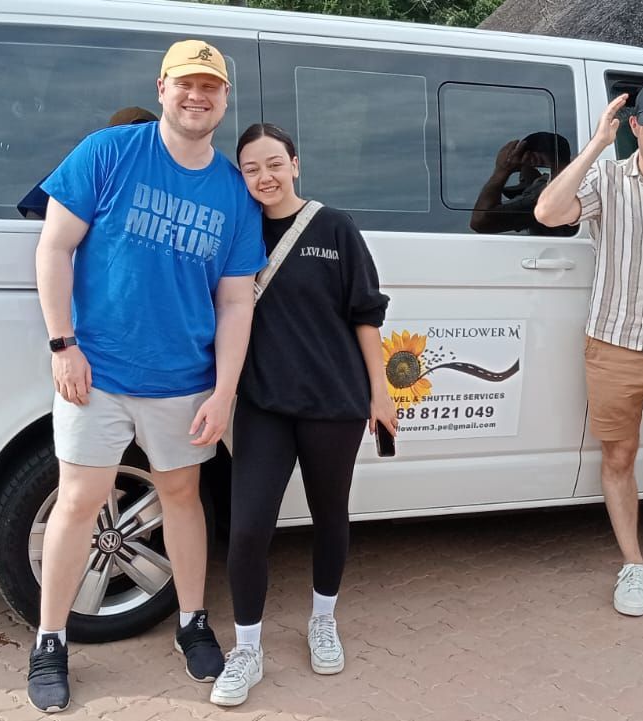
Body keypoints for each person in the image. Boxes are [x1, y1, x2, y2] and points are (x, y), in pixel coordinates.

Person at [26, 40, 266, 712]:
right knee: (78, 500)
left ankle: (192, 622)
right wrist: (62, 343)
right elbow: (54, 247)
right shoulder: (109, 153)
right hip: (95, 371)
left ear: (223, 99)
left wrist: (224, 390)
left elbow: (236, 299)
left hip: (184, 379)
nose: (198, 97)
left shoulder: (232, 191)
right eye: (186, 85)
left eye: (210, 88)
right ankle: (51, 638)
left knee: (182, 494)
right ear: (162, 88)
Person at [209, 122, 396, 707]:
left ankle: (322, 619)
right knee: (246, 530)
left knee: (329, 515)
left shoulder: (334, 227)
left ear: (295, 163)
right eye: (250, 169)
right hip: (264, 404)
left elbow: (366, 315)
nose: (263, 177)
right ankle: (247, 649)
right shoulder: (235, 231)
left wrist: (381, 392)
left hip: (333, 404)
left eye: (273, 164)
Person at [533, 80, 643, 622]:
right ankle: (632, 564)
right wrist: (595, 144)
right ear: (635, 128)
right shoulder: (608, 179)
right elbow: (547, 211)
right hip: (612, 345)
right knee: (619, 456)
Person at [17, 106, 159, 219]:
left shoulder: (165, 179)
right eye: (128, 137)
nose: (136, 144)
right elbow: (34, 211)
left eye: (144, 137)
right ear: (112, 139)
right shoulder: (86, 169)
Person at [470, 131, 577, 236]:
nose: (521, 177)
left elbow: (480, 221)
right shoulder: (576, 182)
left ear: (533, 158)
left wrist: (502, 170)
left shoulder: (546, 193)